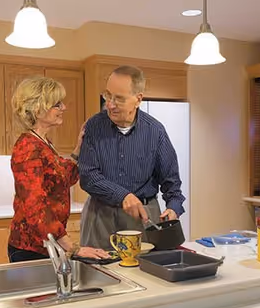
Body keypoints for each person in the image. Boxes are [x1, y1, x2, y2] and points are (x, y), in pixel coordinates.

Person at [78, 65, 186, 250]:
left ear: (138, 99)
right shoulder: (94, 126)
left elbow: (172, 183)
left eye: (118, 98)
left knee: (143, 274)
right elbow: (88, 177)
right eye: (108, 95)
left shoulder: (155, 131)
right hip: (99, 217)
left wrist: (173, 208)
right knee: (96, 273)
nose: (110, 104)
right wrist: (123, 195)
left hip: (142, 217)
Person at [8, 76, 110, 262]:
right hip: (31, 248)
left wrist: (78, 149)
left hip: (46, 245)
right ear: (38, 109)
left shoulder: (44, 143)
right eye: (57, 104)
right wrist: (73, 247)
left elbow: (64, 178)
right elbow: (35, 207)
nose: (63, 108)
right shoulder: (28, 147)